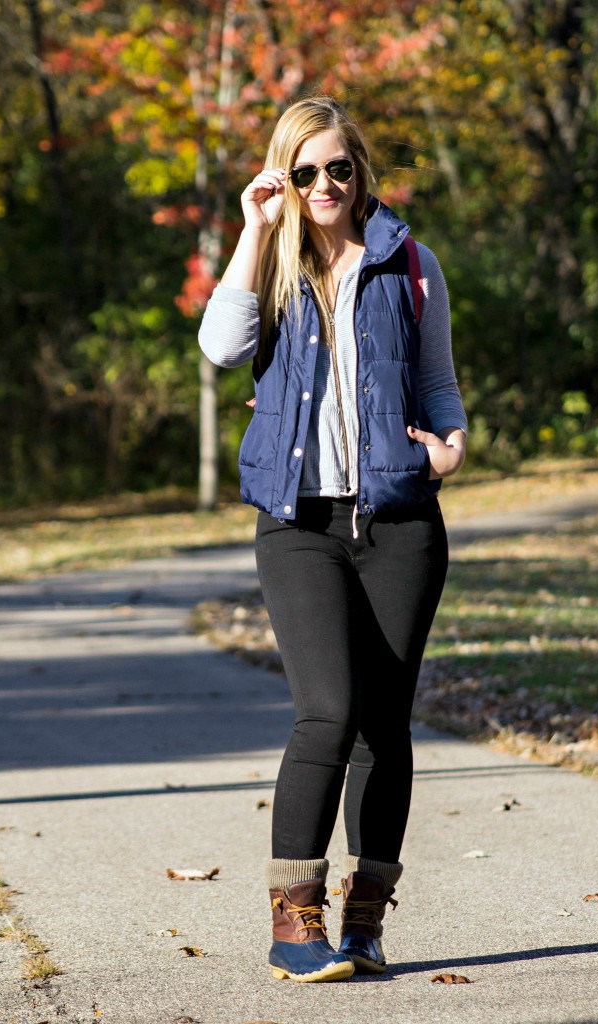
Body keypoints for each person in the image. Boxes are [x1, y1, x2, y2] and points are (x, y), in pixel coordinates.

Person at [199, 96, 467, 983]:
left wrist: (453, 447)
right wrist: (252, 226)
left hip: (399, 522)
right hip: (300, 524)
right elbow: (220, 346)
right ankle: (293, 918)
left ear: (361, 175)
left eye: (338, 168)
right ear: (286, 176)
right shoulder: (270, 268)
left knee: (386, 726)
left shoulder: (411, 264)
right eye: (304, 170)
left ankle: (363, 919)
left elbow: (439, 386)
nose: (323, 184)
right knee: (328, 712)